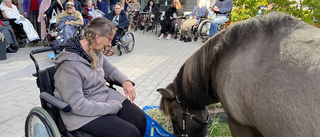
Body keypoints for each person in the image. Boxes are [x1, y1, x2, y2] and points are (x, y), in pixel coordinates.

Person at [53, 17, 146, 137]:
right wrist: (111, 107)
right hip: (81, 113)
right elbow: (78, 105)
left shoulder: (94, 51)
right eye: (109, 39)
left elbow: (110, 70)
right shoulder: (69, 66)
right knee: (129, 133)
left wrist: (125, 81)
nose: (110, 44)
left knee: (140, 119)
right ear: (97, 37)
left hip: (103, 96)